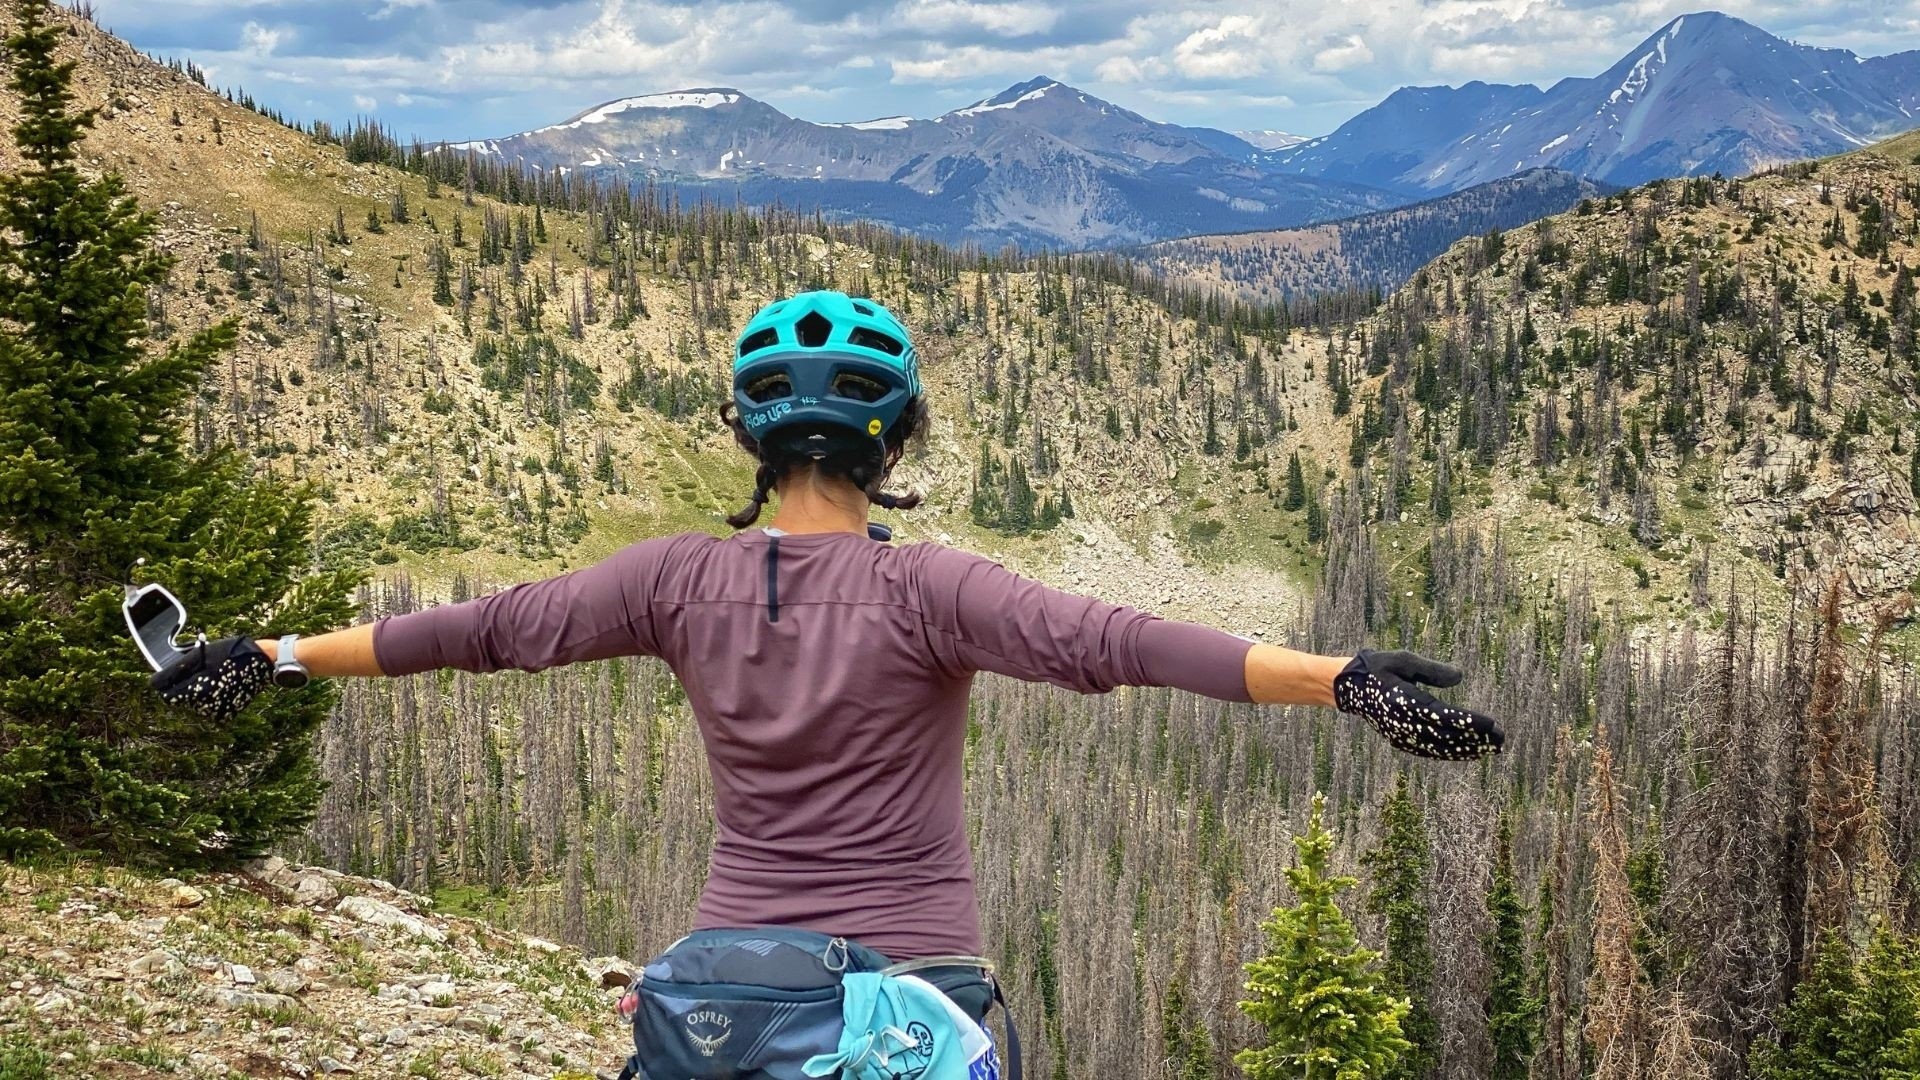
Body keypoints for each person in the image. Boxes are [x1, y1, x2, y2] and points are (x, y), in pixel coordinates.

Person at [152, 290, 1503, 1078]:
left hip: (725, 1000)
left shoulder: (672, 580)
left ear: (749, 436)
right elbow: (1127, 643)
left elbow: (475, 632)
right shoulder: (935, 592)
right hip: (915, 999)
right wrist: (1345, 680)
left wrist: (268, 657)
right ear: (894, 438)